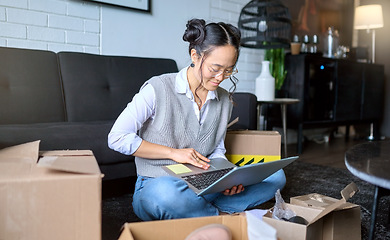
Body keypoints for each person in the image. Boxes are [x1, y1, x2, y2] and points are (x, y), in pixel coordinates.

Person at [108, 18, 286, 221]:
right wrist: (174, 154)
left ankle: (198, 212)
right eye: (215, 68)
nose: (221, 77)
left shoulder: (224, 100)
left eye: (229, 70)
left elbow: (217, 150)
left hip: (206, 184)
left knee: (276, 176)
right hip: (160, 183)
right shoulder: (157, 89)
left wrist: (227, 178)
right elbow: (117, 138)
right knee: (163, 194)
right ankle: (220, 217)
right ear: (195, 55)